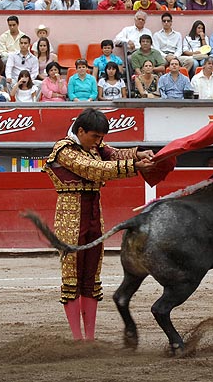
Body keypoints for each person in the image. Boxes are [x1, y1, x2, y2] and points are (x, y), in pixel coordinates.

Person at [44, 108, 154, 341]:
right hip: (70, 217)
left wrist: (138, 155)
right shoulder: (63, 150)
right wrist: (135, 167)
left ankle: (90, 338)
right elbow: (95, 169)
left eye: (101, 137)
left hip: (94, 213)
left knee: (91, 276)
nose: (98, 141)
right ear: (80, 131)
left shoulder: (95, 147)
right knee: (72, 277)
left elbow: (113, 154)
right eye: (95, 136)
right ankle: (77, 338)